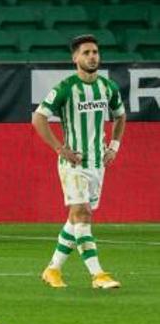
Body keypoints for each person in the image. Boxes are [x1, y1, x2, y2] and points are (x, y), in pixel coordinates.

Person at [32, 34, 126, 290]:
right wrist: (59, 148)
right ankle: (98, 275)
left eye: (95, 52)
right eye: (86, 52)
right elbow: (38, 118)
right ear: (75, 58)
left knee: (76, 219)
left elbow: (120, 116)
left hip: (97, 164)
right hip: (73, 165)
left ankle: (53, 269)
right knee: (82, 213)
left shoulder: (108, 87)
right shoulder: (65, 88)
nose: (92, 56)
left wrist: (114, 146)